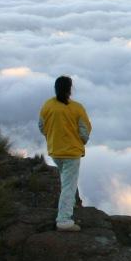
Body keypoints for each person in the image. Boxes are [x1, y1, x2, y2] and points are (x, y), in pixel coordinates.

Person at [38, 75, 92, 232]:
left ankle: (71, 204)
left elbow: (41, 126)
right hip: (71, 153)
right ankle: (64, 220)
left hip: (55, 151)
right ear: (70, 90)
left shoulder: (48, 105)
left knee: (66, 180)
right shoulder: (77, 108)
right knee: (69, 185)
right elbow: (85, 131)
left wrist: (52, 136)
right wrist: (79, 141)